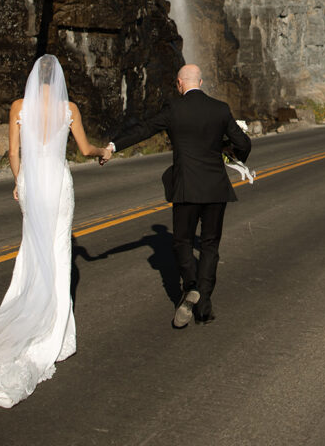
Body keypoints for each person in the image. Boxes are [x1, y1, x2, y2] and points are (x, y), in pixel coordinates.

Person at [0, 55, 111, 408]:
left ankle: (26, 308)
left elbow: (13, 151)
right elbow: (85, 150)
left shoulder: (19, 106)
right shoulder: (69, 109)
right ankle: (54, 326)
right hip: (59, 184)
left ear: (36, 77)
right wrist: (103, 152)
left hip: (32, 184)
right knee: (59, 250)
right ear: (60, 79)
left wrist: (20, 181)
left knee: (32, 248)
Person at [104, 63, 251, 328]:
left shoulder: (173, 108)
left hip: (186, 186)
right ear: (201, 82)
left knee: (182, 241)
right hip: (216, 187)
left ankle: (191, 285)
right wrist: (230, 154)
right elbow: (243, 143)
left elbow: (144, 129)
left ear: (179, 83)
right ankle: (204, 305)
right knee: (210, 245)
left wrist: (113, 146)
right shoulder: (220, 109)